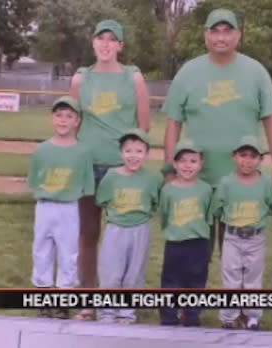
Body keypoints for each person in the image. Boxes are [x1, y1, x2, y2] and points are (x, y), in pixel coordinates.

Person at [161, 8, 272, 260]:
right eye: (214, 31)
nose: (221, 37)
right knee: (194, 257)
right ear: (205, 36)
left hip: (241, 183)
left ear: (238, 35)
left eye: (228, 31)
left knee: (240, 260)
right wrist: (169, 168)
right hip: (196, 182)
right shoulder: (188, 72)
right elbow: (173, 123)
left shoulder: (255, 71)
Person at [68, 19, 151, 321]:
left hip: (121, 170)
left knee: (124, 234)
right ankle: (88, 298)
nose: (105, 44)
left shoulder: (133, 77)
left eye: (111, 39)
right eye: (100, 38)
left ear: (120, 46)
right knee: (88, 234)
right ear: (93, 43)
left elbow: (143, 126)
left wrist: (134, 164)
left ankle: (121, 300)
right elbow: (72, 123)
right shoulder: (81, 79)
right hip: (89, 167)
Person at [25, 96, 95, 320]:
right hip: (45, 206)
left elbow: (87, 183)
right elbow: (34, 179)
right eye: (58, 115)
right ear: (52, 119)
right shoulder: (42, 149)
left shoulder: (83, 151)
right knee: (42, 250)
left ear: (77, 121)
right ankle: (44, 297)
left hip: (68, 207)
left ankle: (63, 300)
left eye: (69, 116)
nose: (63, 120)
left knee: (68, 252)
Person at [95, 129, 163, 324]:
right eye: (129, 151)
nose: (134, 156)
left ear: (147, 154)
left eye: (139, 151)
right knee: (111, 273)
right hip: (116, 228)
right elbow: (103, 200)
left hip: (140, 229)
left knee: (134, 274)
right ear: (121, 153)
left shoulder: (152, 179)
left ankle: (127, 313)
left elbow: (154, 204)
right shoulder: (111, 176)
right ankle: (106, 313)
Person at [211, 135, 272, 330]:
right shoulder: (226, 183)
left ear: (260, 159)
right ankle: (229, 316)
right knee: (231, 278)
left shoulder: (265, 183)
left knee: (253, 279)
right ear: (234, 157)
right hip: (232, 236)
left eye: (252, 156)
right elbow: (217, 209)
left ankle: (252, 316)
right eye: (243, 155)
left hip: (256, 237)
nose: (247, 161)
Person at [158, 139, 213, 327]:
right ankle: (169, 317)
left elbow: (208, 214)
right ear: (174, 163)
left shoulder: (205, 189)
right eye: (182, 160)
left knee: (196, 281)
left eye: (193, 161)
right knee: (171, 281)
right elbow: (164, 214)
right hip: (175, 242)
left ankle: (191, 316)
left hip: (198, 242)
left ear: (200, 164)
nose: (187, 165)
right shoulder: (168, 190)